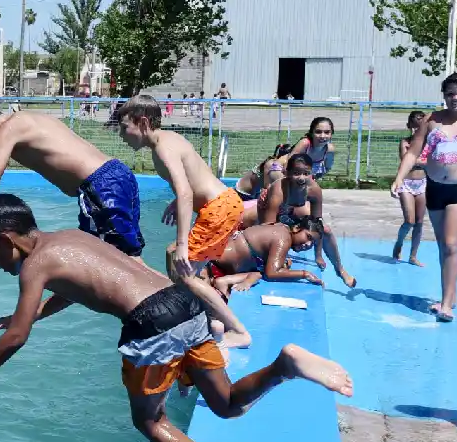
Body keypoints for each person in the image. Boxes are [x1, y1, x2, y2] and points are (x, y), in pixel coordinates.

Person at [0, 194, 354, 442]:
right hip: (183, 301)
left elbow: (16, 336)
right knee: (226, 404)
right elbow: (78, 287)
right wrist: (36, 312)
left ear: (7, 240)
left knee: (150, 422)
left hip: (150, 323)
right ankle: (285, 366)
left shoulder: (34, 266)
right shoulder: (70, 238)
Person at [0, 99, 144, 256]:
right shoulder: (22, 121)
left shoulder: (9, 130)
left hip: (101, 187)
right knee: (129, 258)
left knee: (115, 262)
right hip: (117, 175)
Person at [115, 94, 251, 348]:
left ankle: (238, 330)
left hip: (218, 209)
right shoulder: (170, 138)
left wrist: (182, 244)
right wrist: (177, 202)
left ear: (143, 123)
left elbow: (186, 191)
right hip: (226, 203)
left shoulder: (162, 149)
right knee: (185, 270)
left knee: (185, 273)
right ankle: (212, 321)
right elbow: (195, 177)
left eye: (124, 128)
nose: (122, 136)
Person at [392, 72, 457, 322]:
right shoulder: (432, 120)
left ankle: (447, 304)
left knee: (451, 244)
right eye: (450, 94)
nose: (455, 98)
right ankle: (450, 293)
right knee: (444, 246)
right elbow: (413, 152)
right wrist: (399, 178)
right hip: (435, 188)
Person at [259, 153, 357, 288]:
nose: (301, 178)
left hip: (289, 216)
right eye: (296, 173)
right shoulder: (279, 190)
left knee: (326, 230)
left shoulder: (314, 190)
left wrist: (318, 255)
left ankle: (340, 269)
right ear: (287, 173)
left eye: (306, 173)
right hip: (268, 217)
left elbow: (316, 224)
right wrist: (278, 255)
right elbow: (267, 227)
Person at [207, 218, 325, 296]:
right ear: (296, 228)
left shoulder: (280, 226)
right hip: (217, 265)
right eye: (308, 237)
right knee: (259, 274)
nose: (308, 244)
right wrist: (304, 274)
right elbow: (272, 273)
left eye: (313, 243)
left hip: (215, 254)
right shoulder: (284, 239)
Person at [393, 110, 428, 265]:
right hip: (407, 183)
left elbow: (430, 161)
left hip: (423, 184)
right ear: (409, 126)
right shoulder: (405, 142)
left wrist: (414, 159)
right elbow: (405, 159)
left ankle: (413, 256)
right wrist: (419, 160)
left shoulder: (428, 144)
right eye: (413, 127)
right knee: (410, 221)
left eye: (419, 128)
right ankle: (399, 243)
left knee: (419, 222)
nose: (416, 130)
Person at [290, 116, 336, 183]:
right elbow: (288, 166)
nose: (322, 136)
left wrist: (314, 178)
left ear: (331, 134)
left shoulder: (329, 149)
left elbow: (327, 168)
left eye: (327, 132)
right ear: (311, 133)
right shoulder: (305, 143)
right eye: (318, 132)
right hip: (280, 170)